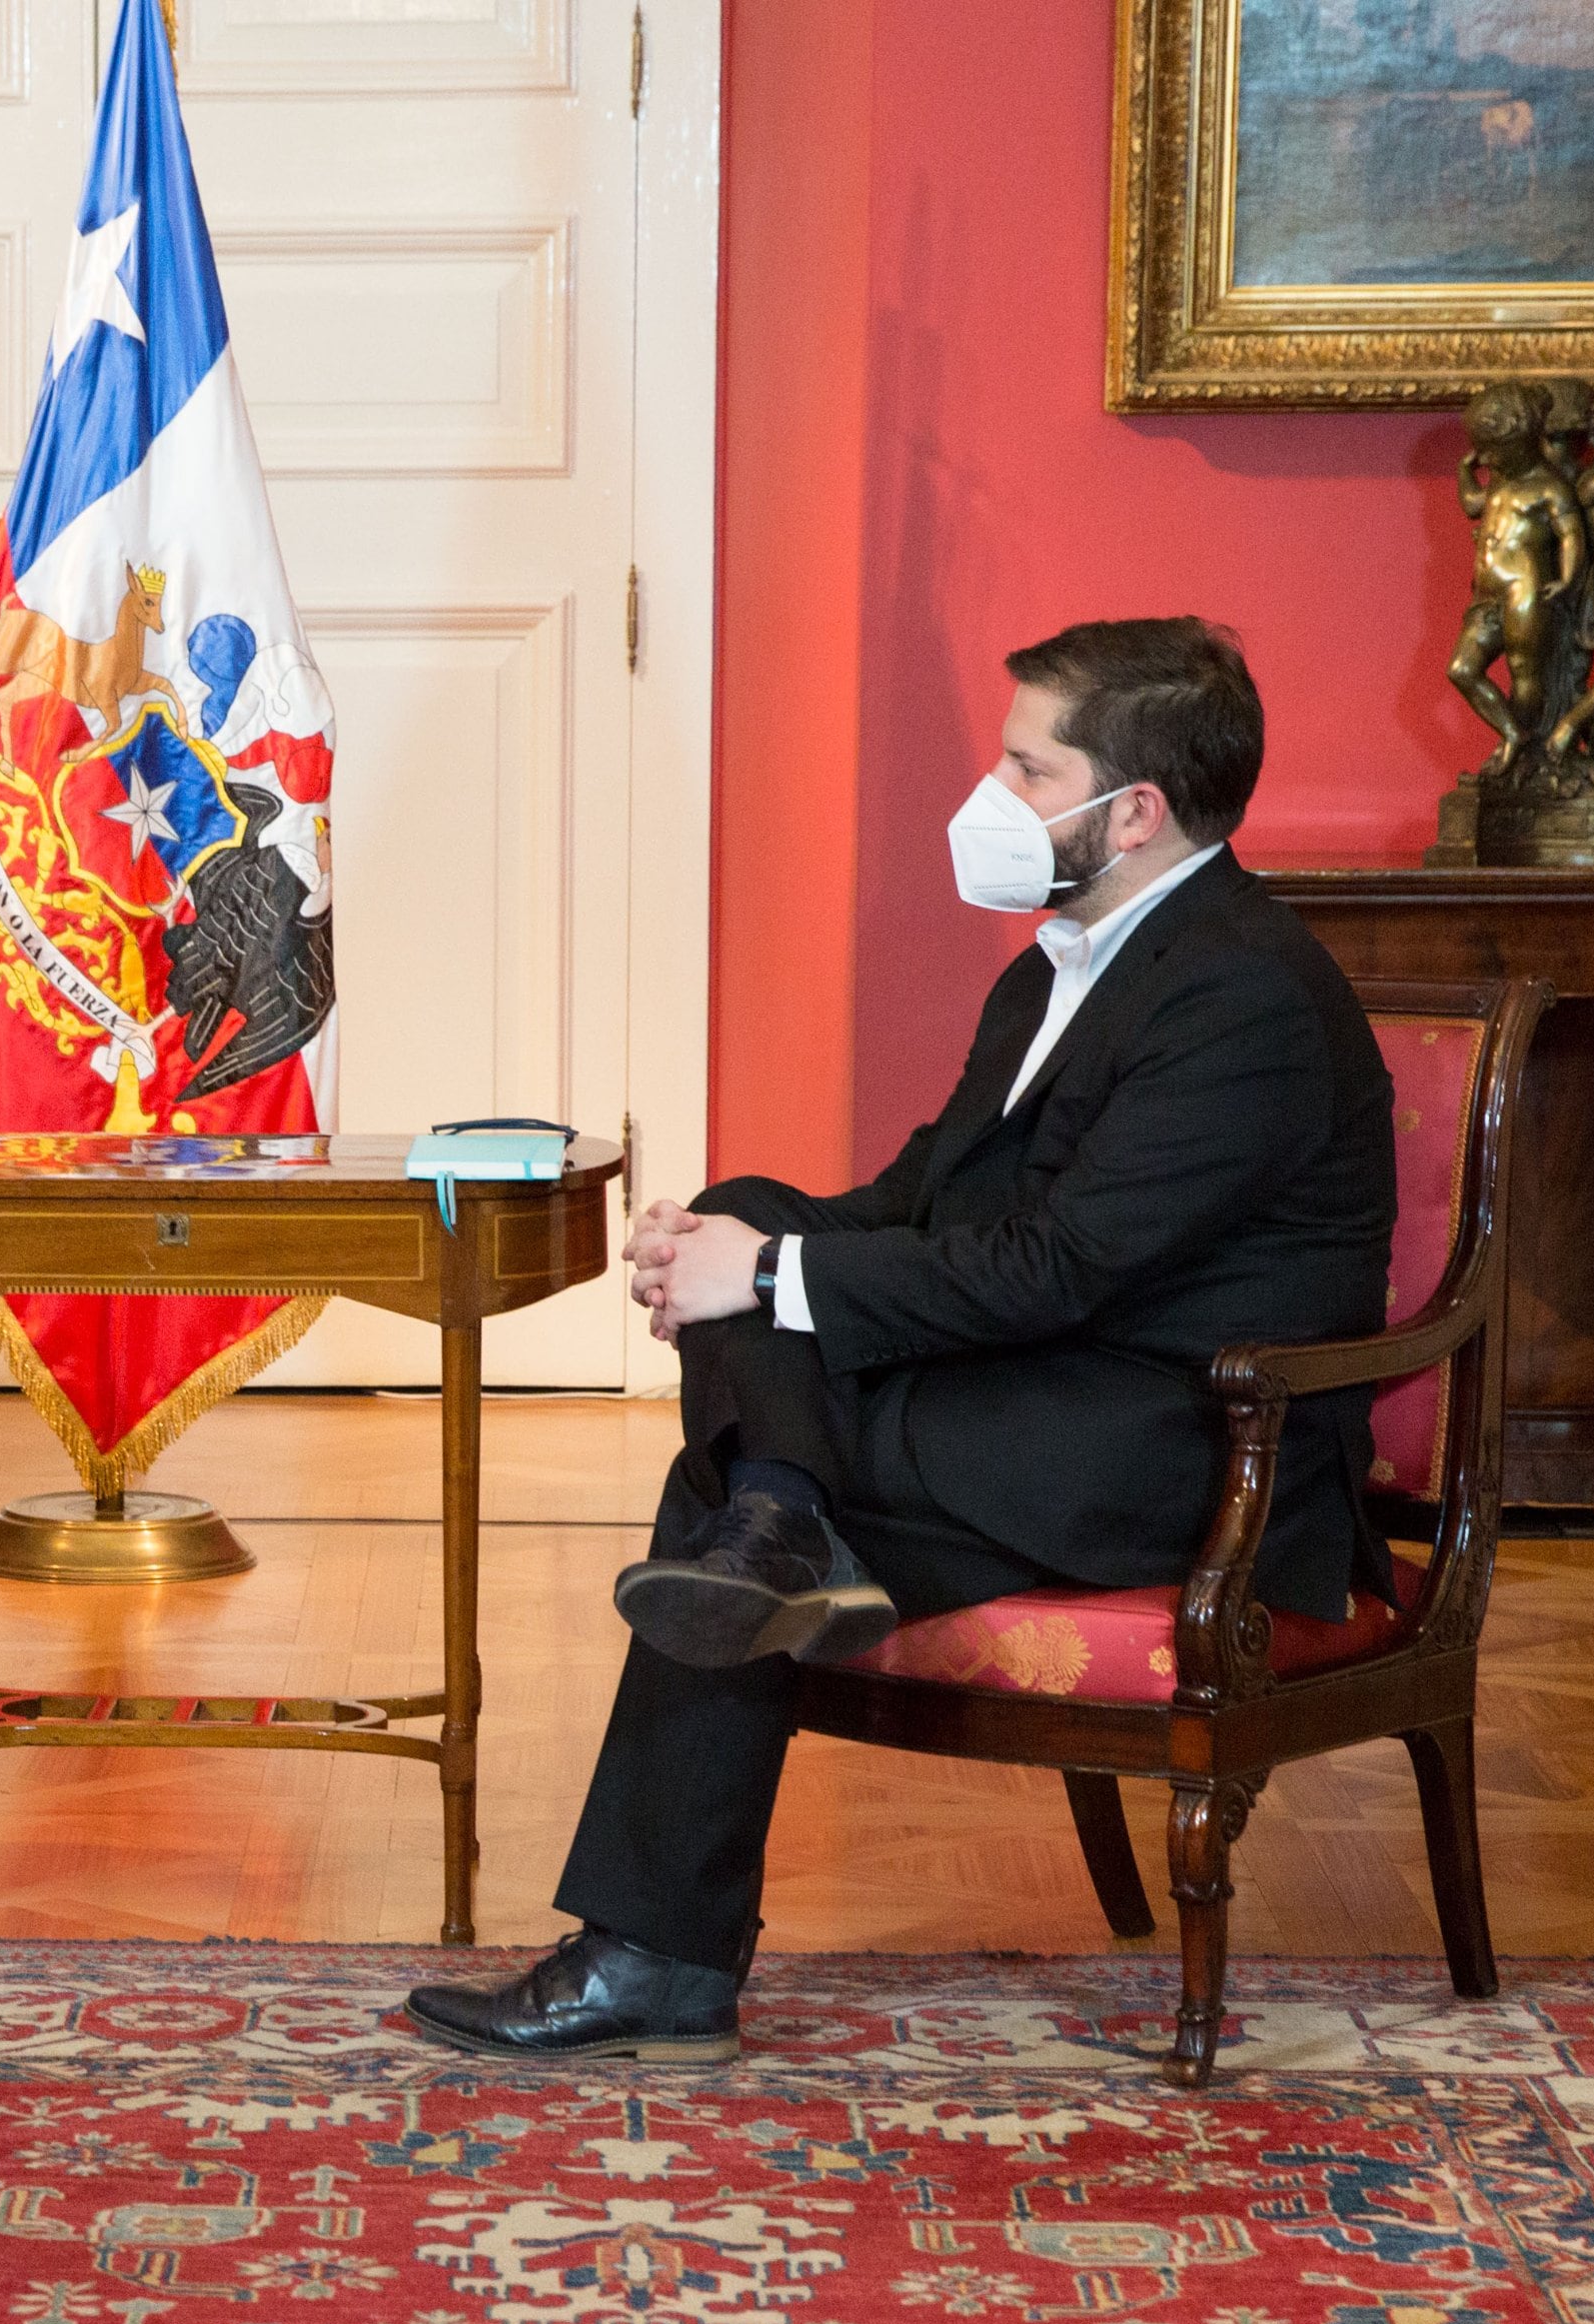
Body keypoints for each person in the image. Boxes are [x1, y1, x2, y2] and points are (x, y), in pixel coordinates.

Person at [408, 618, 1395, 2063]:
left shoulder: (1241, 994)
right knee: (752, 1237)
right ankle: (783, 1531)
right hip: (1039, 1388)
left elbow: (1060, 1270)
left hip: (1181, 1439)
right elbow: (922, 1202)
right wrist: (735, 1244)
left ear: (1133, 810)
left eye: (1025, 764)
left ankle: (662, 1939)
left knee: (732, 1478)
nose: (991, 793)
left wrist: (774, 1280)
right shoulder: (1060, 967)